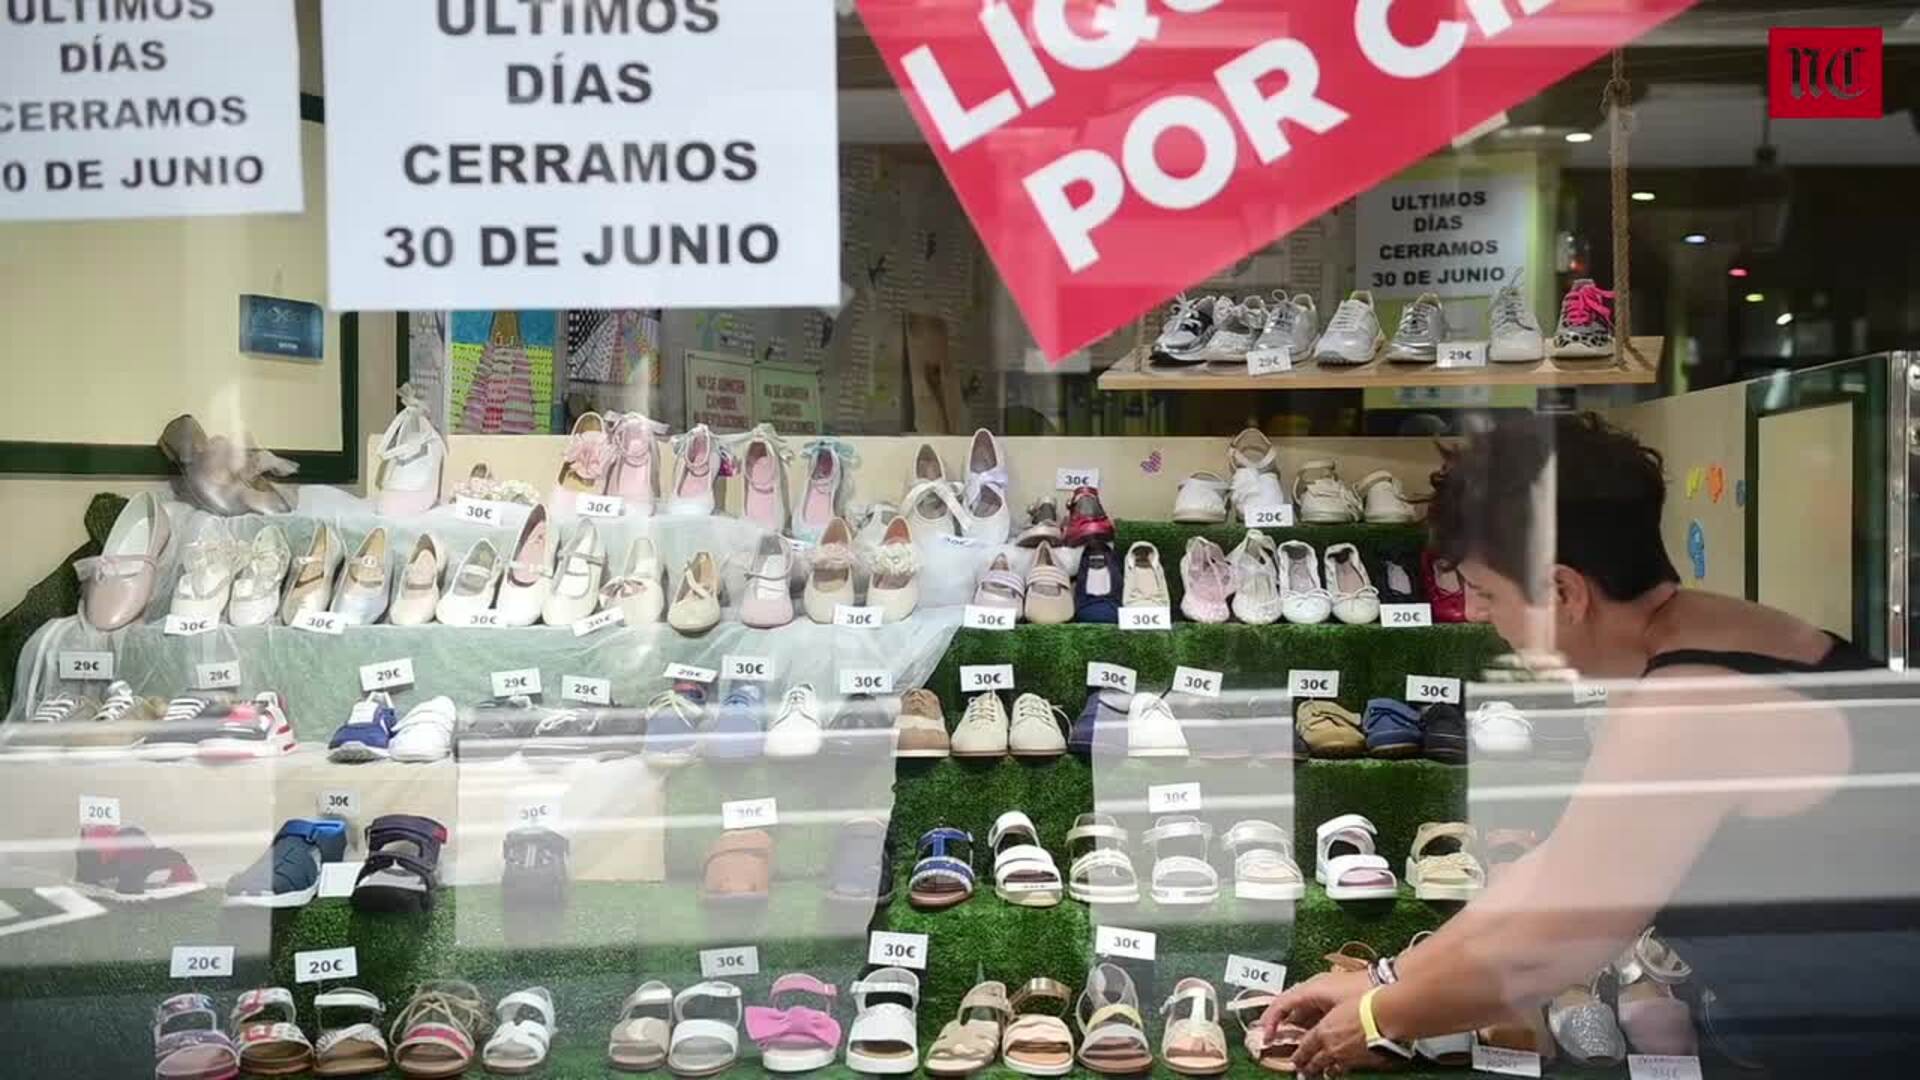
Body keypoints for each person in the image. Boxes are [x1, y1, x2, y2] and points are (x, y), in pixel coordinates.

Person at [1263, 412, 1920, 1076]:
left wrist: (1381, 1017)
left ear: (1563, 590)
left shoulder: (1691, 705)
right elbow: (1556, 872)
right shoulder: (1723, 630)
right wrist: (1387, 975)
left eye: (1487, 592)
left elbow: (1560, 943)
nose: (1478, 614)